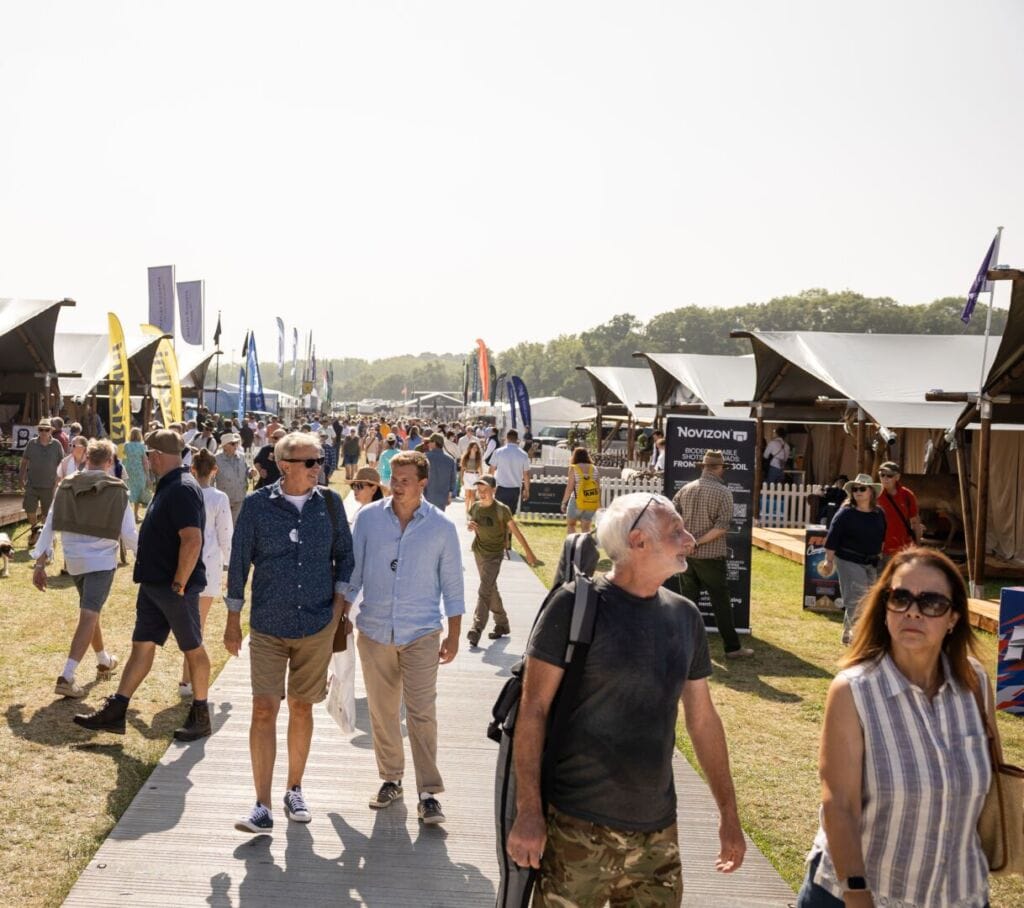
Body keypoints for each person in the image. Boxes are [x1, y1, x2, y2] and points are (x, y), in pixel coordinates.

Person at [507, 493, 746, 904]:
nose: (690, 540)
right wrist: (528, 812)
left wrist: (729, 815)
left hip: (658, 837)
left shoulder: (685, 616)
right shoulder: (574, 606)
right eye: (676, 531)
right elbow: (533, 710)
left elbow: (703, 720)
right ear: (638, 541)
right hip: (576, 830)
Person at [797, 547, 992, 907]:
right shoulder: (853, 690)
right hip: (862, 895)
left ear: (953, 618)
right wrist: (858, 895)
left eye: (932, 603)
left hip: (959, 895)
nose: (913, 611)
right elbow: (840, 805)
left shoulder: (974, 682)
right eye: (900, 598)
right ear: (885, 608)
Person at [226, 431, 353, 833]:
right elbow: (238, 561)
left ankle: (294, 788)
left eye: (321, 460)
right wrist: (232, 619)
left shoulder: (330, 504)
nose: (319, 468)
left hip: (316, 624)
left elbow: (345, 558)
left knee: (301, 706)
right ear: (284, 465)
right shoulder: (256, 505)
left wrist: (337, 609)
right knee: (264, 707)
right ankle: (260, 804)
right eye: (311, 462)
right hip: (268, 624)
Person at [344, 451, 464, 825]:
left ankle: (428, 793)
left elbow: (453, 585)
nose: (396, 486)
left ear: (423, 483)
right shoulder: (367, 519)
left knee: (421, 712)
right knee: (382, 712)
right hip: (374, 630)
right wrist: (341, 617)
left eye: (405, 480)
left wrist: (455, 634)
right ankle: (391, 779)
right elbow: (353, 573)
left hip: (421, 632)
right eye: (393, 479)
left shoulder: (441, 527)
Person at [72, 429, 213, 742]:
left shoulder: (182, 488)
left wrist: (179, 582)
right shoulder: (170, 485)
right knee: (142, 645)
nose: (146, 461)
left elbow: (192, 540)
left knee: (192, 647)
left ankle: (201, 714)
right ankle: (117, 709)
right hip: (154, 585)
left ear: (157, 455)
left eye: (148, 455)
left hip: (173, 587)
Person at [31, 439, 136, 698]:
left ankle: (103, 659)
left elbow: (49, 524)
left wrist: (40, 563)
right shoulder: (118, 490)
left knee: (90, 610)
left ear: (87, 459)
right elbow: (129, 535)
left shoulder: (66, 485)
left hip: (74, 559)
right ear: (110, 462)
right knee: (89, 614)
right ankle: (67, 675)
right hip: (101, 561)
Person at [671, 450, 753, 658]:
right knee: (720, 603)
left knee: (687, 602)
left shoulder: (685, 489)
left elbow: (672, 520)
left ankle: (682, 647)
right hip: (710, 557)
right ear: (718, 469)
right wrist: (696, 542)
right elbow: (721, 528)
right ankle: (732, 648)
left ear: (704, 467)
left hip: (686, 555)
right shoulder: (724, 492)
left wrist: (686, 542)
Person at [179, 450, 233, 697]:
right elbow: (226, 535)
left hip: (184, 564)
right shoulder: (219, 498)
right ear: (214, 470)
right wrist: (231, 567)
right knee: (197, 625)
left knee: (191, 624)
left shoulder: (183, 494)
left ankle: (186, 678)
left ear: (192, 469)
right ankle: (186, 679)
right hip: (209, 566)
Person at [466, 475, 537, 647]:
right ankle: (502, 624)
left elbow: (516, 531)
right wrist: (470, 526)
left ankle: (476, 628)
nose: (481, 493)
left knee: (484, 590)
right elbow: (472, 524)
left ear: (494, 490)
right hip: (479, 552)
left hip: (494, 555)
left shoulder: (501, 510)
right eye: (479, 490)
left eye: (485, 490)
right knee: (490, 588)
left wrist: (529, 553)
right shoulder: (475, 507)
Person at [823, 474, 886, 646]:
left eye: (862, 489)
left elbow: (882, 537)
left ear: (871, 492)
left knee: (867, 599)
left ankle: (848, 635)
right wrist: (829, 561)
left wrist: (879, 555)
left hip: (871, 562)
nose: (858, 492)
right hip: (848, 560)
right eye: (855, 489)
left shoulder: (879, 513)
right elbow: (832, 538)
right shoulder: (845, 513)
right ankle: (860, 640)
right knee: (857, 599)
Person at [876, 461, 923, 566]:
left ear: (897, 477)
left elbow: (915, 522)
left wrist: (918, 547)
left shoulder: (907, 495)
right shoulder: (875, 494)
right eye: (882, 475)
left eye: (889, 475)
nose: (885, 478)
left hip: (902, 550)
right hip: (879, 551)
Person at [20, 418, 64, 525]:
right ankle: (34, 530)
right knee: (29, 510)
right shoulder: (31, 443)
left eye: (46, 429)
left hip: (49, 486)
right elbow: (24, 461)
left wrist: (58, 482)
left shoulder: (57, 444)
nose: (44, 432)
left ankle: (43, 533)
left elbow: (62, 464)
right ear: (38, 430)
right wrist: (21, 477)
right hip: (32, 485)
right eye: (41, 429)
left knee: (47, 514)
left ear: (51, 430)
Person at [488, 429, 531, 514]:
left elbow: (491, 470)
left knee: (499, 513)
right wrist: (527, 490)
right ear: (517, 439)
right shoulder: (523, 454)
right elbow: (526, 474)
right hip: (515, 489)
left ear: (507, 438)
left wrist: (491, 486)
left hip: (500, 488)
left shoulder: (498, 452)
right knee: (510, 514)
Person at [559, 447, 600, 534]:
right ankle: (585, 542)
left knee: (571, 525)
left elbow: (570, 487)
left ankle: (573, 542)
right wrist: (599, 503)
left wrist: (564, 502)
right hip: (591, 501)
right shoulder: (594, 468)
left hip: (577, 500)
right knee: (586, 527)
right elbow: (598, 488)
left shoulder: (574, 468)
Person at [214, 432, 251, 523]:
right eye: (233, 443)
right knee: (224, 524)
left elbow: (247, 469)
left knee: (237, 524)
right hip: (225, 498)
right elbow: (211, 479)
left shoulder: (242, 457)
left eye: (237, 443)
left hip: (240, 496)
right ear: (225, 446)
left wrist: (251, 471)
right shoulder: (216, 459)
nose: (236, 446)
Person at [122, 427, 150, 522]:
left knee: (129, 491)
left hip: (128, 470)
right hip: (139, 470)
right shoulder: (142, 446)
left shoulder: (126, 445)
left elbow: (124, 456)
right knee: (138, 492)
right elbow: (145, 461)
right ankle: (135, 515)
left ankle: (128, 515)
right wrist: (147, 475)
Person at [424, 433, 457, 511]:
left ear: (434, 443)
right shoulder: (450, 460)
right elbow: (453, 479)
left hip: (426, 496)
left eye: (430, 442)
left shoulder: (424, 457)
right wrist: (449, 495)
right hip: (442, 497)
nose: (428, 444)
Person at [460, 441, 484, 512]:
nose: (475, 449)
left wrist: (481, 479)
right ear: (470, 448)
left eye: (476, 447)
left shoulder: (478, 458)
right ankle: (467, 510)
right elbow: (462, 469)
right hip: (467, 475)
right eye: (473, 447)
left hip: (475, 476)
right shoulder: (465, 457)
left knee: (473, 495)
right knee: (467, 495)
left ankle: (472, 510)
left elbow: (480, 469)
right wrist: (461, 478)